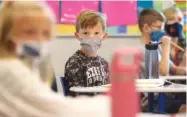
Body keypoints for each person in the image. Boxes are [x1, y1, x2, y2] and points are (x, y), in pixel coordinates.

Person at [0, 1, 109, 117]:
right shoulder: (9, 70)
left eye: (46, 33)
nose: (39, 39)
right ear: (6, 34)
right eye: (29, 32)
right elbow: (58, 111)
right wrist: (113, 102)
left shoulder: (32, 66)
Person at [64, 10, 109, 96]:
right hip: (85, 107)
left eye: (96, 33)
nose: (91, 37)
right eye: (86, 33)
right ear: (77, 36)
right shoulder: (75, 62)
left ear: (104, 36)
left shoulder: (104, 64)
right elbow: (76, 95)